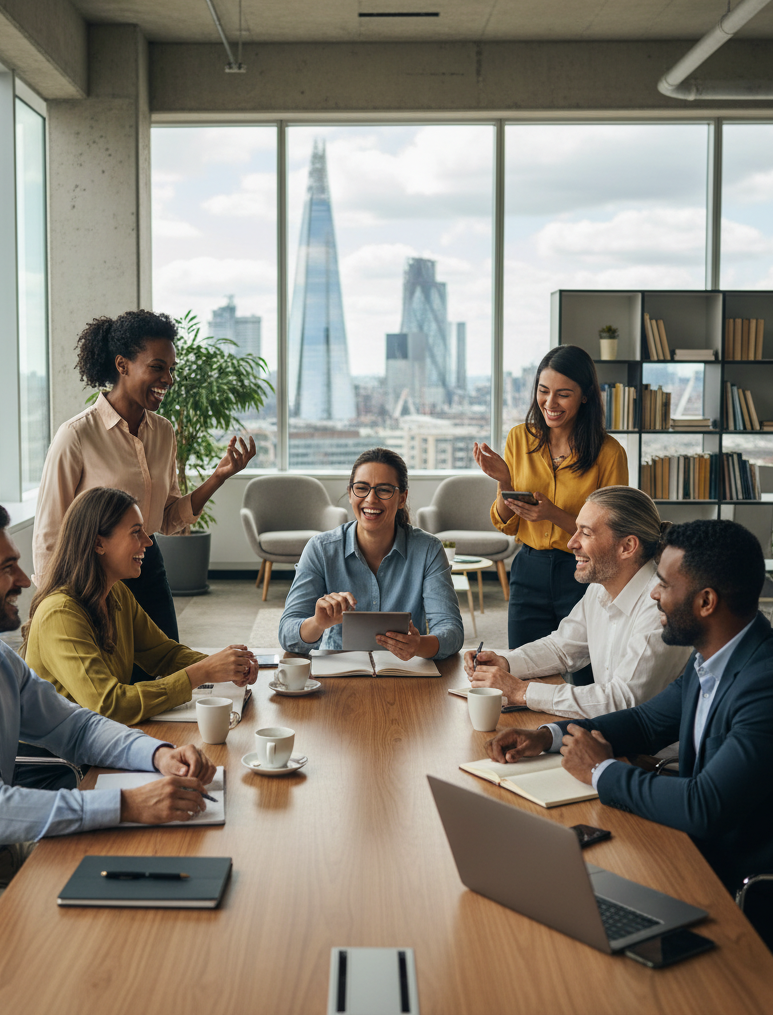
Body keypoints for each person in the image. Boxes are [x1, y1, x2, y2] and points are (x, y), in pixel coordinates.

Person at [486, 520, 773, 975]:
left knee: (583, 950)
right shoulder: (717, 653)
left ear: (706, 602)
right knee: (566, 894)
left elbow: (705, 805)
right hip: (724, 864)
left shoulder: (772, 686)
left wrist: (601, 771)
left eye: (664, 584)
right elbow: (647, 722)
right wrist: (548, 737)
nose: (653, 595)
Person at [0, 503, 218, 970]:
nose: (26, 580)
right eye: (7, 567)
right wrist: (130, 804)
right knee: (96, 937)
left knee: (144, 872)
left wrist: (160, 754)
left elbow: (77, 727)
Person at [32, 309, 255, 641]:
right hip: (93, 577)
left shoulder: (163, 433)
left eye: (171, 370)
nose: (168, 379)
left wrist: (218, 477)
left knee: (167, 671)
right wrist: (50, 604)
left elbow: (166, 518)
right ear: (123, 366)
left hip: (147, 565)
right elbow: (50, 532)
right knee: (111, 684)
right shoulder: (77, 435)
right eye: (157, 367)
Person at [23, 487, 257, 725]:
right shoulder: (60, 613)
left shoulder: (117, 593)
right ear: (98, 543)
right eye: (136, 532)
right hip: (63, 758)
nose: (148, 541)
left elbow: (165, 655)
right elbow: (109, 705)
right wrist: (202, 672)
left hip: (99, 738)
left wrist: (226, 667)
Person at [464, 486, 689, 717]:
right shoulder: (599, 588)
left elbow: (623, 700)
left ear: (627, 546)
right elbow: (562, 648)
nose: (571, 543)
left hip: (652, 752)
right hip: (612, 734)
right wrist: (506, 662)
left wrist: (522, 691)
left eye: (586, 533)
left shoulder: (661, 604)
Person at [474, 345, 628, 650]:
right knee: (523, 666)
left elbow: (614, 536)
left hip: (584, 572)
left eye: (563, 394)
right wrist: (504, 480)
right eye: (543, 391)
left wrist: (553, 514)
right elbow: (505, 524)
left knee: (585, 674)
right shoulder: (519, 438)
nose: (550, 402)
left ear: (585, 395)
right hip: (528, 568)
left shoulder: (609, 453)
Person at [279, 448, 464, 661]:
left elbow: (452, 631)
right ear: (350, 493)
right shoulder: (320, 549)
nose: (371, 499)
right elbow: (287, 633)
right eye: (361, 488)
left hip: (407, 672)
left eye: (384, 490)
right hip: (339, 671)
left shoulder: (428, 550)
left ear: (402, 498)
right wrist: (318, 623)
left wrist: (419, 645)